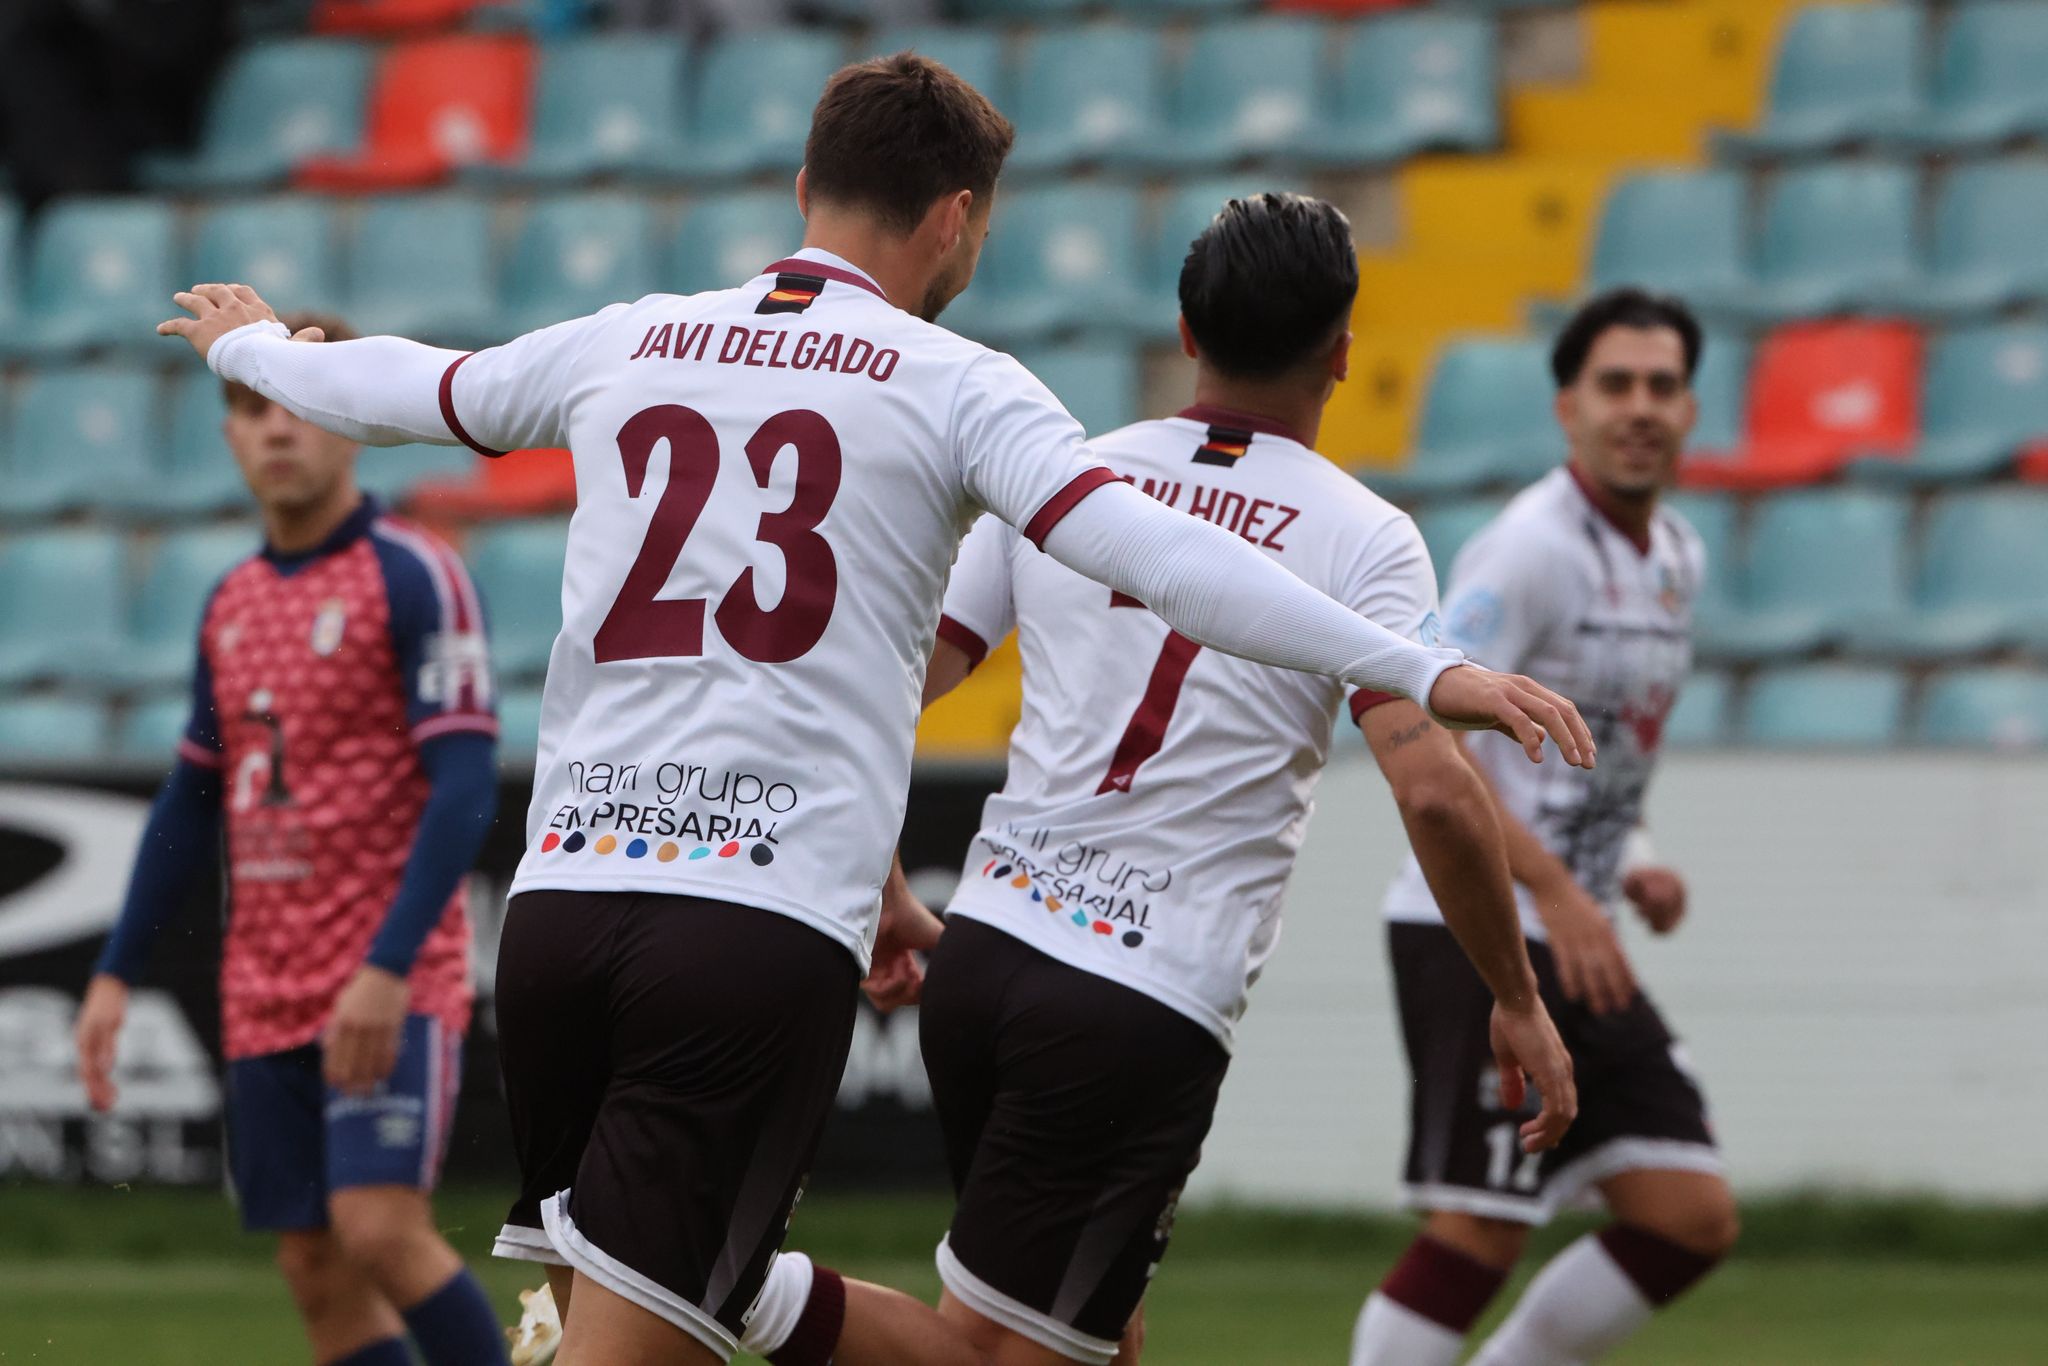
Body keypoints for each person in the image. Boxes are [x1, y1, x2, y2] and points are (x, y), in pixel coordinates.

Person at [152, 55, 1594, 1366]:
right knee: (665, 1329)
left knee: (679, 1296)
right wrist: (1421, 666)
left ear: (801, 190)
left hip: (563, 909)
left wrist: (253, 350)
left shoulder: (638, 334)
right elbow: (1170, 557)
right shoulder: (964, 385)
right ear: (960, 219)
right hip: (747, 931)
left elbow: (417, 386)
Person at [897, 192, 1577, 1366]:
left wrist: (874, 875)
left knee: (1093, 1326)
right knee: (994, 1349)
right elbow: (1430, 790)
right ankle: (711, 1284)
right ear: (1343, 352)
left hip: (987, 950)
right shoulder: (1360, 537)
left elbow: (889, 685)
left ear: (1185, 331)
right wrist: (1514, 994)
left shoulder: (1065, 481)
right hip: (1131, 996)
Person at [74, 313, 509, 1366]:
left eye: (297, 405)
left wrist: (388, 966)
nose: (276, 429)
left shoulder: (413, 573)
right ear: (227, 438)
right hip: (263, 984)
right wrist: (116, 970)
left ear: (347, 419)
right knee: (314, 1271)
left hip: (382, 976)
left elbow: (462, 786)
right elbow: (192, 796)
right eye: (250, 408)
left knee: (378, 1230)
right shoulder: (231, 604)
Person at [1351, 288, 1739, 1366]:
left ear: (1688, 409)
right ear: (1567, 407)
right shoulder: (1524, 549)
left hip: (1576, 926)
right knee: (1482, 1219)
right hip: (1475, 925)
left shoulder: (1676, 559)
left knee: (1687, 1212)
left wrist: (1637, 860)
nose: (1639, 407)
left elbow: (1599, 749)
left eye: (1661, 386)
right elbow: (1441, 735)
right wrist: (1560, 893)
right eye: (1614, 384)